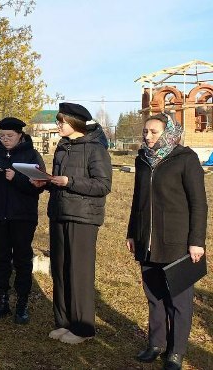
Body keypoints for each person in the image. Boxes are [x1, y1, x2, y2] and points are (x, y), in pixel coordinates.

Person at [126, 113, 207, 370]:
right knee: (154, 297)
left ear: (169, 132)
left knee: (179, 301)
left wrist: (196, 241)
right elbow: (137, 200)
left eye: (153, 132)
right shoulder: (142, 160)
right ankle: (156, 344)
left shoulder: (186, 159)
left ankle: (176, 351)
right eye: (145, 132)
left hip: (177, 243)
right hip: (147, 241)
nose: (147, 136)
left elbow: (199, 204)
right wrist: (132, 232)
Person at [33, 102, 112, 344]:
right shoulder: (62, 147)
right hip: (59, 213)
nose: (58, 125)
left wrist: (69, 181)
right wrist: (44, 182)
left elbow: (102, 185)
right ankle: (64, 322)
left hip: (83, 217)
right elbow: (58, 181)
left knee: (79, 272)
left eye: (61, 121)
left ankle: (83, 328)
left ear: (75, 124)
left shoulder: (95, 149)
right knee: (60, 268)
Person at [0, 117, 45, 323]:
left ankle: (22, 304)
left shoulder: (32, 155)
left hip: (22, 217)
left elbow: (40, 185)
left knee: (22, 259)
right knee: (0, 259)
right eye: (2, 136)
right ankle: (1, 301)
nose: (5, 139)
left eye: (9, 136)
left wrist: (18, 178)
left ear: (20, 135)